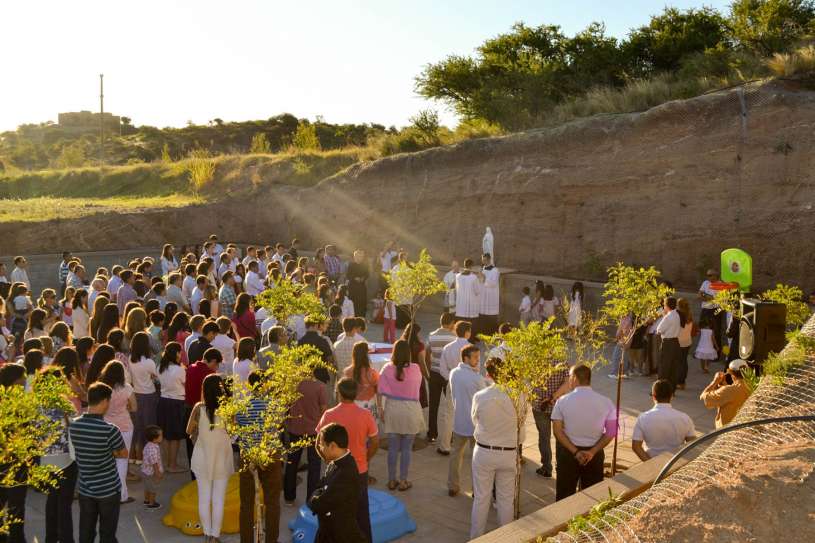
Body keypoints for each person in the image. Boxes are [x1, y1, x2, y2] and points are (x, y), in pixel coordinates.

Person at [317, 379, 378, 542]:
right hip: (360, 471)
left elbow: (317, 443)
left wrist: (328, 459)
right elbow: (375, 442)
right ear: (355, 394)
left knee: (336, 515)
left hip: (336, 473)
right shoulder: (365, 415)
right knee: (362, 514)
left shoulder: (329, 415)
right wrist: (365, 458)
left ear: (339, 393)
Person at [69, 382, 129, 543]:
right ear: (104, 401)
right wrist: (111, 451)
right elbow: (123, 454)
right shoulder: (110, 429)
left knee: (86, 532)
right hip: (108, 489)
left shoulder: (74, 425)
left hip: (86, 489)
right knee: (107, 534)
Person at [469, 357, 521, 539]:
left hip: (484, 451)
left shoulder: (480, 396)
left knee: (481, 499)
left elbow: (475, 420)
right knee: (506, 501)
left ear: (489, 375)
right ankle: (506, 539)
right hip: (508, 452)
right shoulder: (519, 396)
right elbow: (521, 425)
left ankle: (476, 538)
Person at [551, 365, 617, 501]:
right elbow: (611, 432)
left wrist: (575, 452)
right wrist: (592, 452)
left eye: (569, 377)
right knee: (592, 500)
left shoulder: (562, 402)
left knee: (564, 497)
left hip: (568, 454)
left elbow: (557, 431)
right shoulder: (607, 402)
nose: (569, 380)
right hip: (594, 455)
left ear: (574, 378)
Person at [236, 372, 283, 543]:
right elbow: (278, 428)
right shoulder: (274, 405)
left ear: (250, 385)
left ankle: (246, 540)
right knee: (272, 502)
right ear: (265, 385)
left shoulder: (241, 405)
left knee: (246, 503)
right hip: (270, 454)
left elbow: (239, 429)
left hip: (248, 455)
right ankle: (271, 539)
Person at [187, 374, 235, 543]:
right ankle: (215, 535)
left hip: (202, 456)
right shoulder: (227, 408)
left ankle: (207, 534)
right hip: (222, 456)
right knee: (218, 499)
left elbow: (188, 430)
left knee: (204, 498)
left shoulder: (198, 408)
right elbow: (234, 430)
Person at [377, 340, 423, 492]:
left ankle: (391, 480)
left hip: (393, 409)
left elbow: (379, 391)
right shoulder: (416, 368)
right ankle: (403, 480)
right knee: (406, 449)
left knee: (393, 448)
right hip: (411, 410)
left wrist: (380, 408)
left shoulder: (387, 368)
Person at [308, 423, 366, 543]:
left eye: (322, 445)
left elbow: (319, 504)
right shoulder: (335, 463)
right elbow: (320, 486)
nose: (320, 448)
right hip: (328, 532)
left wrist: (315, 498)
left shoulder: (345, 473)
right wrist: (318, 495)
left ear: (333, 446)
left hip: (340, 536)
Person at [38, 367, 78, 543]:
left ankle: (51, 537)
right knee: (64, 504)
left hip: (45, 460)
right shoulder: (63, 405)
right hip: (66, 460)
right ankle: (66, 539)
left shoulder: (35, 405)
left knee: (52, 501)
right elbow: (74, 429)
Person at [447, 344, 486, 497]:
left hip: (458, 422)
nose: (478, 360)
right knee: (476, 460)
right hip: (475, 425)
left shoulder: (454, 373)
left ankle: (453, 486)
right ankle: (476, 490)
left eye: (478, 357)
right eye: (475, 357)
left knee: (455, 456)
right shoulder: (476, 378)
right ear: (466, 358)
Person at [284, 368, 327, 506]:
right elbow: (324, 409)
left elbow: (286, 408)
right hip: (313, 431)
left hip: (295, 429)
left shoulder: (291, 386)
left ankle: (289, 497)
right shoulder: (319, 386)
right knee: (314, 465)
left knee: (292, 464)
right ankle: (311, 498)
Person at [99, 360, 137, 505]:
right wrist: (125, 407)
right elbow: (134, 407)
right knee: (122, 462)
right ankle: (122, 495)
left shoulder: (102, 389)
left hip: (105, 427)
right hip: (125, 427)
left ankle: (106, 492)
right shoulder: (127, 388)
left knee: (107, 462)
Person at [632, 380, 695, 461]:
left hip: (652, 461)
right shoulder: (685, 418)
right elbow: (693, 445)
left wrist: (651, 464)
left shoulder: (643, 418)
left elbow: (636, 446)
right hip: (676, 463)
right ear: (671, 396)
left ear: (653, 397)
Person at [184, 348, 222, 479]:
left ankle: (193, 476)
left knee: (191, 445)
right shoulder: (209, 373)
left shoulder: (190, 368)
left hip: (189, 408)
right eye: (216, 364)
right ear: (213, 361)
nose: (216, 368)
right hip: (203, 411)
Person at [436, 321, 472, 455]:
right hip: (468, 383)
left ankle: (445, 445)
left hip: (452, 381)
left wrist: (451, 378)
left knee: (449, 415)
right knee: (469, 413)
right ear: (467, 332)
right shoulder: (471, 347)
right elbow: (476, 369)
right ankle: (470, 447)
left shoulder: (448, 347)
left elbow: (442, 369)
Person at [531, 363, 570, 478]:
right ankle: (561, 467)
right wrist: (553, 397)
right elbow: (567, 383)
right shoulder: (562, 359)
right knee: (561, 437)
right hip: (558, 405)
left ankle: (547, 468)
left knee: (544, 437)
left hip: (539, 405)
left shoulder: (535, 356)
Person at [129, 332, 159, 464]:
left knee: (136, 426)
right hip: (149, 395)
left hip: (135, 394)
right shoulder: (149, 362)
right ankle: (145, 457)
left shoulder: (130, 359)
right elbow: (157, 377)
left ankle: (134, 455)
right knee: (148, 426)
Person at [427, 313, 457, 445]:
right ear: (450, 323)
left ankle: (432, 434)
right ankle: (450, 435)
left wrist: (429, 368)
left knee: (433, 405)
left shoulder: (432, 335)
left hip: (434, 373)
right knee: (451, 406)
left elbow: (427, 353)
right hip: (448, 375)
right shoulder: (454, 337)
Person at [157, 342, 187, 473]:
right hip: (176, 402)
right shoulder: (179, 369)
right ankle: (172, 465)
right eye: (179, 352)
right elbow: (185, 384)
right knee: (175, 436)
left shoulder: (160, 367)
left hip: (163, 401)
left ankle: (167, 462)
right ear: (176, 353)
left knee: (165, 434)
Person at [700, 359, 752, 428]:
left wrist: (715, 381)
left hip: (727, 430)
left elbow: (704, 397)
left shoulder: (728, 390)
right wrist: (725, 385)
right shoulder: (751, 386)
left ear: (732, 374)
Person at [656, 296, 682, 390]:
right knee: (673, 367)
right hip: (675, 342)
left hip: (667, 343)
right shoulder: (676, 314)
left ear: (667, 305)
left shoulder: (669, 316)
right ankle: (671, 389)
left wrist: (663, 316)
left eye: (664, 305)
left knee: (664, 367)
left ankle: (660, 390)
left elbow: (659, 330)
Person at [698, 268, 722, 358]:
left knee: (715, 332)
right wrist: (708, 297)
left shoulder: (720, 285)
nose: (708, 277)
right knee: (703, 330)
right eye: (707, 275)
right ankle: (702, 353)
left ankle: (716, 355)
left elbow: (717, 299)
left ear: (716, 276)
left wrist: (706, 296)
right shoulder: (705, 283)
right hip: (705, 309)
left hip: (715, 310)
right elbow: (699, 295)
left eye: (710, 275)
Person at [140, 426, 164, 509]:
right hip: (151, 473)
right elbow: (154, 462)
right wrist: (157, 473)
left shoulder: (148, 445)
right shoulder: (153, 448)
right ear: (154, 438)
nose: (162, 437)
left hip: (145, 471)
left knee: (147, 487)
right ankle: (152, 503)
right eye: (161, 435)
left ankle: (146, 500)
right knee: (153, 489)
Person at [477, 253, 500, 337]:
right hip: (482, 297)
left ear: (490, 260)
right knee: (482, 316)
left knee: (491, 317)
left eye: (486, 260)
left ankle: (491, 335)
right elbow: (479, 283)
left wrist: (484, 278)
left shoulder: (495, 270)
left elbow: (493, 283)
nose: (484, 262)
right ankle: (483, 334)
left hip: (491, 297)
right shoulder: (482, 269)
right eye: (483, 260)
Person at [453, 259, 479, 329]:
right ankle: (471, 338)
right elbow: (477, 291)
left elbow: (456, 289)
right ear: (471, 266)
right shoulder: (474, 277)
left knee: (460, 323)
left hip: (460, 305)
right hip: (470, 305)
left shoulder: (457, 276)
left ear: (464, 265)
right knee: (470, 323)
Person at [346, 250, 370, 318]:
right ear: (355, 257)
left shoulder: (365, 265)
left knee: (362, 303)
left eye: (361, 256)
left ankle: (361, 318)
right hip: (353, 287)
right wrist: (354, 278)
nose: (360, 258)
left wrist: (363, 278)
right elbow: (348, 275)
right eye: (358, 256)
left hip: (361, 287)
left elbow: (367, 274)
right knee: (353, 303)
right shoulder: (351, 265)